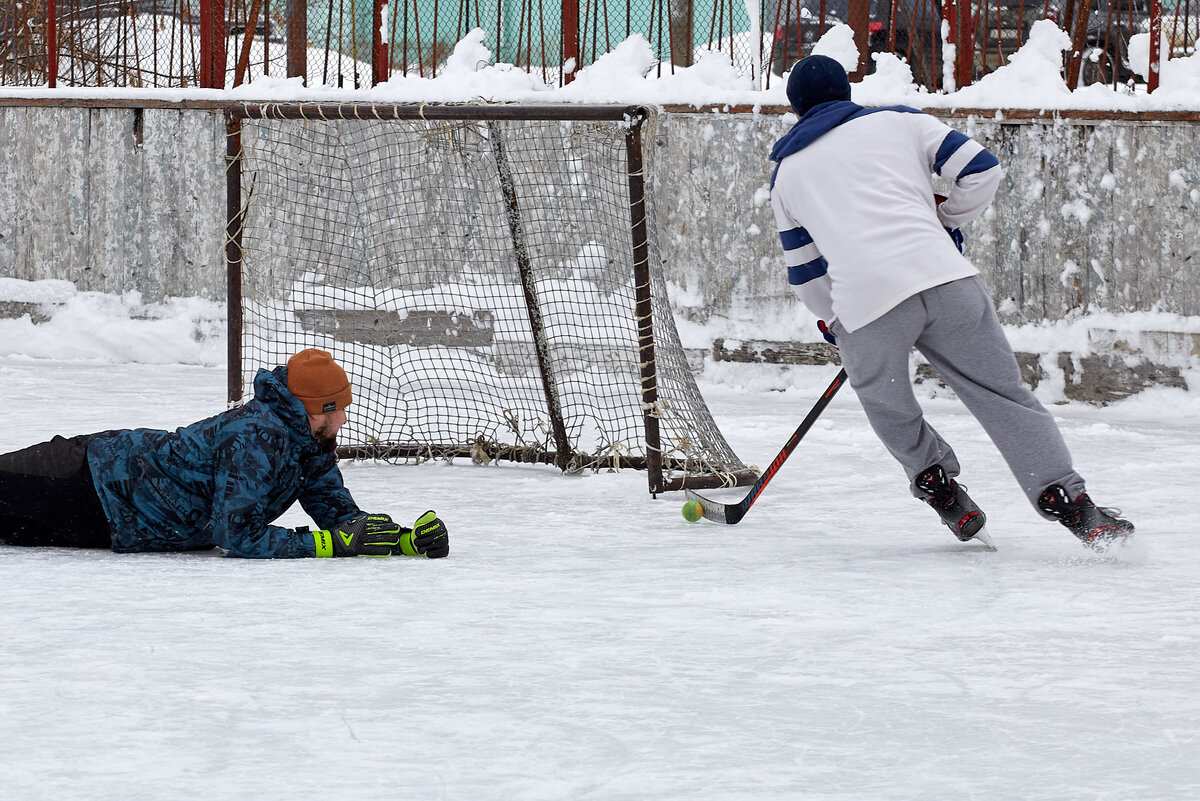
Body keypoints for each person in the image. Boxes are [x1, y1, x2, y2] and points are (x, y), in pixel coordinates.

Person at [769, 54, 1134, 550]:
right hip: (945, 280)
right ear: (847, 94)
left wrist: (831, 318)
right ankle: (1068, 501)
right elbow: (982, 168)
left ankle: (937, 484)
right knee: (1002, 394)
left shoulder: (788, 174)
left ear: (795, 110)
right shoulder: (901, 122)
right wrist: (947, 222)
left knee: (889, 404)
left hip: (868, 305)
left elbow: (806, 270)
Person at [0, 348, 448, 559]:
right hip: (92, 475)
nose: (345, 421)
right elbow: (235, 533)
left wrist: (407, 541)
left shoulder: (309, 445)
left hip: (112, 522)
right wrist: (329, 545)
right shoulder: (258, 438)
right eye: (340, 411)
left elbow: (339, 519)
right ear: (318, 408)